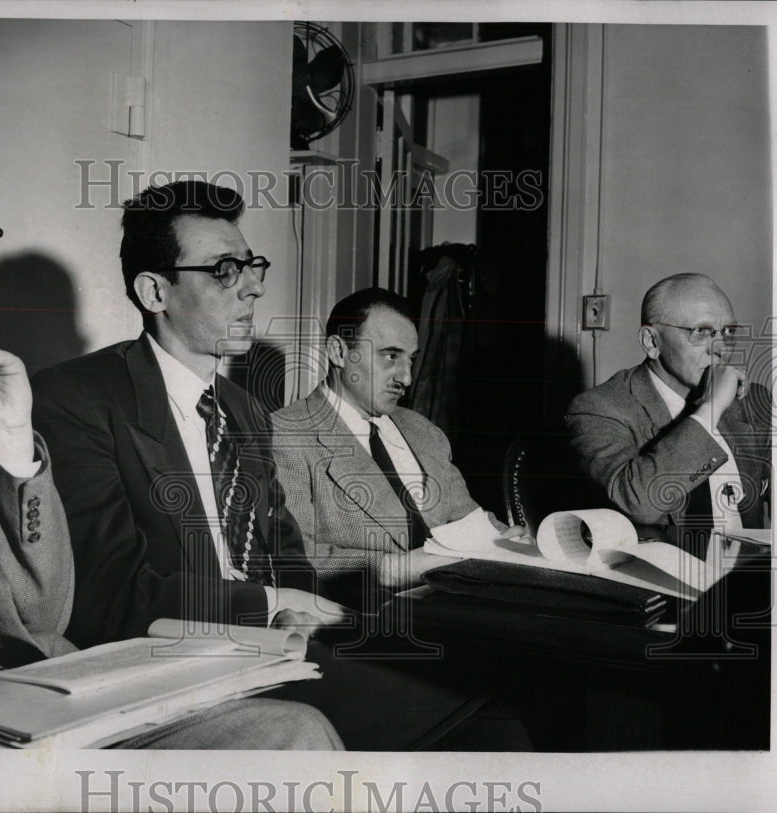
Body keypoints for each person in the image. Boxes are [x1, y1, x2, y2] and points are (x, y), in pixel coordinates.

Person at [0, 137, 340, 751]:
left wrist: (12, 446)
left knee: (302, 733)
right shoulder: (72, 394)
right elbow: (106, 596)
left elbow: (41, 615)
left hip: (19, 693)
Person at [32, 181, 531, 750]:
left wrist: (297, 613)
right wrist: (272, 604)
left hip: (273, 651)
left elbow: (285, 550)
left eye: (250, 265)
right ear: (155, 291)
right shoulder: (78, 398)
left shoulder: (243, 409)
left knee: (497, 704)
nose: (255, 286)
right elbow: (110, 596)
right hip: (172, 666)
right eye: (224, 270)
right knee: (485, 727)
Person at [271, 287, 526, 610]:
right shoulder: (286, 433)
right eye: (391, 356)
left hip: (459, 604)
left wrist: (515, 545)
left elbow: (467, 517)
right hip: (365, 620)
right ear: (338, 352)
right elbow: (290, 558)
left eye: (411, 359)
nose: (406, 377)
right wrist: (394, 570)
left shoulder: (423, 431)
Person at [565, 273, 771, 552]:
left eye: (728, 332)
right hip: (664, 587)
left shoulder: (753, 400)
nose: (721, 349)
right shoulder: (599, 410)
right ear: (652, 341)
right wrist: (709, 412)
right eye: (702, 331)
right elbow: (640, 503)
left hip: (750, 580)